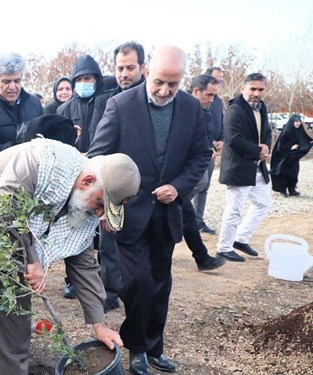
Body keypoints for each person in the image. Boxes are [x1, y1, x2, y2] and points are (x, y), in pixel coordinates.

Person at [0, 139, 135, 374]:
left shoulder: (83, 204)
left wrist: (99, 324)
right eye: (100, 204)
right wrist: (32, 259)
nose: (98, 214)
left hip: (14, 238)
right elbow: (3, 207)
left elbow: (84, 263)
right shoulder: (40, 161)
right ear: (87, 182)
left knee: (13, 315)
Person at [89, 45, 211, 375]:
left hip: (166, 214)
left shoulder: (189, 108)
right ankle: (136, 347)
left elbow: (201, 155)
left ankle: (154, 347)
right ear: (146, 71)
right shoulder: (120, 106)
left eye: (172, 84)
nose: (164, 91)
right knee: (139, 283)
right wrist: (102, 206)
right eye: (158, 82)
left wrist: (180, 186)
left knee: (161, 282)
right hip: (128, 214)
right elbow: (97, 158)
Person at [87, 41, 147, 312]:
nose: (125, 73)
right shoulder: (106, 101)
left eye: (130, 68)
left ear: (143, 67)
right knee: (109, 241)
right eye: (120, 68)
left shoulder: (154, 99)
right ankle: (110, 290)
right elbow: (99, 145)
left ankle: (137, 288)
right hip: (114, 185)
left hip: (148, 186)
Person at [216, 73, 273, 263]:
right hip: (239, 167)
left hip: (256, 166)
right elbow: (234, 139)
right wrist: (258, 151)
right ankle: (224, 248)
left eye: (261, 89)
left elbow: (266, 132)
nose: (257, 93)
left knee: (264, 203)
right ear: (243, 89)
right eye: (253, 89)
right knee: (234, 209)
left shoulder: (261, 107)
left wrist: (266, 145)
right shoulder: (235, 110)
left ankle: (240, 239)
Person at [181, 75, 226, 272]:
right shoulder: (179, 110)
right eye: (209, 95)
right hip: (175, 175)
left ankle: (202, 258)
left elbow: (203, 136)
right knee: (184, 213)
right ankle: (202, 258)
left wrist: (211, 147)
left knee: (186, 214)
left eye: (214, 96)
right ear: (196, 91)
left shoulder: (203, 113)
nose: (212, 100)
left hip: (182, 178)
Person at [193, 67, 226, 234]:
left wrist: (222, 140)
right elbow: (200, 129)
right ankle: (181, 216)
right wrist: (209, 144)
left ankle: (198, 221)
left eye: (220, 81)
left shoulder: (217, 101)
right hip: (203, 149)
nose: (218, 83)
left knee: (204, 186)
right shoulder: (192, 103)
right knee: (198, 182)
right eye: (216, 80)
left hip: (212, 149)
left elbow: (220, 122)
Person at [57, 54, 105, 152]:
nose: (83, 82)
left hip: (102, 161)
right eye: (78, 79)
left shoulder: (107, 102)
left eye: (87, 78)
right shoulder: (64, 109)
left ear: (96, 80)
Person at [271, 115, 313, 196]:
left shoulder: (299, 130)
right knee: (284, 173)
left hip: (294, 157)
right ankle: (283, 190)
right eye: (296, 122)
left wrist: (310, 143)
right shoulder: (287, 131)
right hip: (284, 157)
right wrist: (290, 147)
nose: (298, 123)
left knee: (293, 173)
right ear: (292, 122)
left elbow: (305, 139)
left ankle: (292, 189)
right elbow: (280, 145)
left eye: (299, 121)